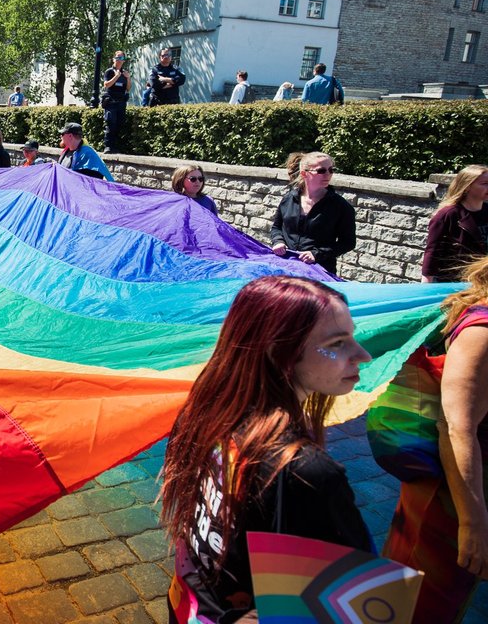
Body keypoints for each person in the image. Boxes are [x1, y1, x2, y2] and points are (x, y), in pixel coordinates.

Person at [160, 275, 373, 624]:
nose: (362, 355)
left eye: (352, 335)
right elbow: (356, 607)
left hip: (187, 606)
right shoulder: (305, 472)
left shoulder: (206, 412)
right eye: (337, 343)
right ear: (281, 354)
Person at [382, 257, 488, 621]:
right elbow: (457, 427)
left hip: (465, 489)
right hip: (448, 496)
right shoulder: (482, 331)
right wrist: (472, 522)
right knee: (414, 602)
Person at [270, 151, 356, 275]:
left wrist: (316, 254)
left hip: (319, 272)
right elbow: (276, 227)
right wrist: (278, 241)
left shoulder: (341, 206)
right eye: (321, 171)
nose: (328, 174)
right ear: (304, 174)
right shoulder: (288, 199)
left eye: (331, 170)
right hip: (286, 267)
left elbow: (348, 243)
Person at [422, 165, 488, 283]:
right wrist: (426, 286)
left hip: (482, 282)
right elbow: (432, 252)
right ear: (467, 187)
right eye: (485, 183)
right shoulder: (447, 215)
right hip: (454, 284)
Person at [101, 51, 130, 153]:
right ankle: (108, 146)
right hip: (111, 101)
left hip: (121, 101)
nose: (119, 60)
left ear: (124, 61)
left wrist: (128, 78)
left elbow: (128, 88)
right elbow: (106, 85)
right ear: (113, 59)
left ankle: (115, 146)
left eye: (121, 58)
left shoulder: (124, 73)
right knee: (111, 122)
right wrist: (116, 76)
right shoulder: (109, 72)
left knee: (119, 123)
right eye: (117, 58)